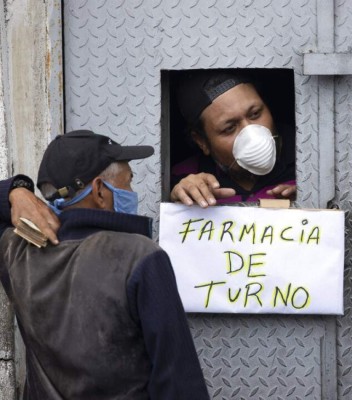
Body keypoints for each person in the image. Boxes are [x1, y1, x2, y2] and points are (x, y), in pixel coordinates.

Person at [0, 130, 210, 399]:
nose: (132, 192)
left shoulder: (18, 253)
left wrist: (15, 192)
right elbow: (178, 381)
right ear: (100, 190)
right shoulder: (140, 255)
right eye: (128, 182)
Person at [171, 70, 296, 208]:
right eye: (229, 128)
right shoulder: (181, 176)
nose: (251, 134)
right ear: (202, 141)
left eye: (255, 114)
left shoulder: (310, 160)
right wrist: (183, 196)